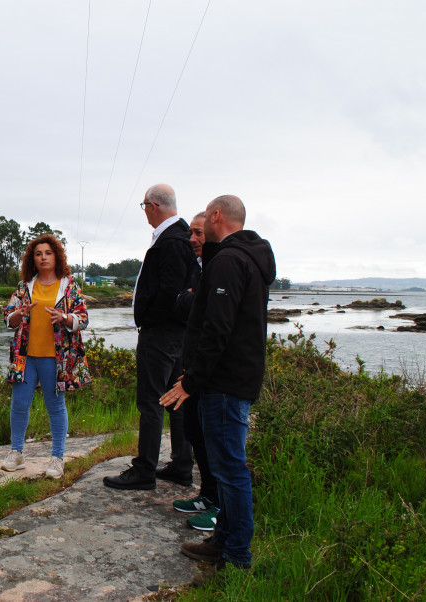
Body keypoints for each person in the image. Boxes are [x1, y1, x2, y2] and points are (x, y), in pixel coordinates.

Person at [160, 195, 276, 585]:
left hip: (224, 384)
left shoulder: (228, 260)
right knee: (227, 468)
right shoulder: (245, 258)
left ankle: (237, 558)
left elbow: (218, 329)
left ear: (215, 216)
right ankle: (222, 540)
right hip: (231, 380)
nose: (199, 231)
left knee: (231, 470)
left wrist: (190, 382)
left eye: (203, 221)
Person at [103, 184, 199, 491]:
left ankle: (145, 468)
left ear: (153, 206)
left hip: (161, 333)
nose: (144, 212)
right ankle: (182, 466)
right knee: (175, 399)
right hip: (176, 333)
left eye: (144, 206)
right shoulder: (180, 236)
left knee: (152, 400)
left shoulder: (171, 241)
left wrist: (147, 317)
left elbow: (170, 292)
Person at [0, 234, 91, 479]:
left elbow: (83, 318)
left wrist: (65, 318)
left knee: (55, 406)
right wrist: (20, 313)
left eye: (48, 253)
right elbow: (8, 318)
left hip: (55, 358)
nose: (43, 257)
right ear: (32, 259)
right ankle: (16, 453)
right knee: (19, 404)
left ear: (56, 256)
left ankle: (57, 458)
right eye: (38, 254)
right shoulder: (24, 286)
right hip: (25, 356)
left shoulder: (69, 285)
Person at [172, 212, 221, 531]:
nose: (192, 240)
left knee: (217, 440)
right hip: (191, 365)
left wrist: (191, 300)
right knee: (195, 431)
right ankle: (207, 494)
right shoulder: (196, 268)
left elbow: (214, 322)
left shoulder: (221, 269)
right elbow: (180, 304)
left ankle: (221, 508)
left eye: (199, 234)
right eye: (191, 233)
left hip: (213, 373)